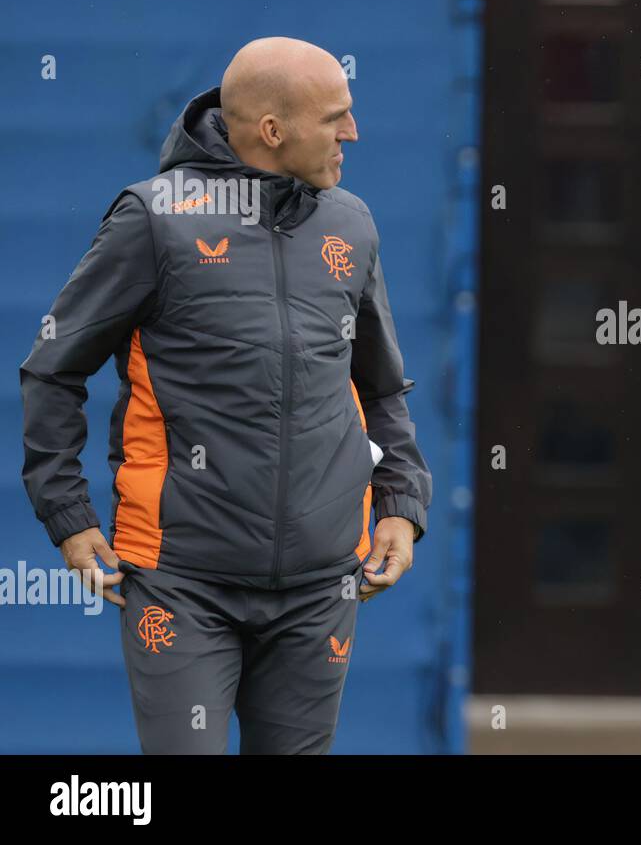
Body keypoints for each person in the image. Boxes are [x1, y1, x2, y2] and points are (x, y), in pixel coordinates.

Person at [19, 37, 433, 754]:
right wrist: (66, 512)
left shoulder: (352, 224)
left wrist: (402, 503)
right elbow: (53, 367)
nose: (353, 132)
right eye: (337, 116)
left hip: (322, 585)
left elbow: (379, 384)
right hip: (182, 582)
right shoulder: (153, 220)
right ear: (273, 132)